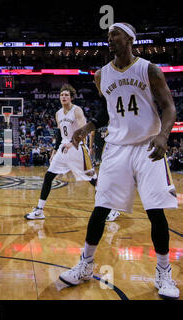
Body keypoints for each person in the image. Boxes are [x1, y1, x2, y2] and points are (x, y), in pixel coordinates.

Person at [59, 23, 179, 300]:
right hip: (116, 147)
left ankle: (163, 272)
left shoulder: (149, 69)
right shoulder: (101, 75)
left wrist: (163, 135)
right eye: (108, 35)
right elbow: (106, 111)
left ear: (129, 39)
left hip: (148, 145)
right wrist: (87, 127)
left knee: (155, 211)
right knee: (100, 208)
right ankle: (85, 265)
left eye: (115, 34)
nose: (109, 38)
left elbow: (169, 107)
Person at [24, 84, 121, 221]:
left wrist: (73, 142)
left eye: (66, 95)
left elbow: (84, 129)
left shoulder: (77, 111)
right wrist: (54, 150)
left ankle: (112, 209)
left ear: (71, 98)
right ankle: (39, 210)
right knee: (49, 176)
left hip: (77, 148)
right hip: (63, 149)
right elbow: (59, 134)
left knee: (93, 179)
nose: (63, 97)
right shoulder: (58, 113)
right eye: (62, 95)